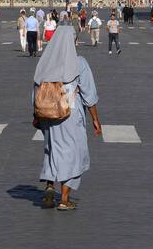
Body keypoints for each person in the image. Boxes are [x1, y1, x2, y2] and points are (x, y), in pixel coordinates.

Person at [32, 25, 102, 211]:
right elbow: (89, 95)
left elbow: (36, 91)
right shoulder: (79, 63)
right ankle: (64, 199)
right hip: (69, 115)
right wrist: (95, 119)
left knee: (52, 150)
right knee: (73, 154)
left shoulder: (45, 63)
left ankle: (49, 186)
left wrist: (36, 116)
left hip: (47, 115)